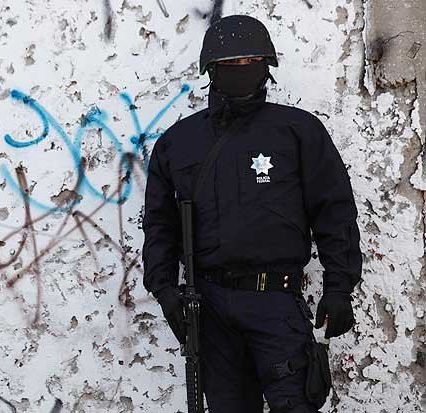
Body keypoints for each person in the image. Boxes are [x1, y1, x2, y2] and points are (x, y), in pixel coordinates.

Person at [141, 14, 362, 413]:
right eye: (230, 64)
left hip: (276, 303)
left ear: (266, 68)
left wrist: (339, 287)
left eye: (250, 62)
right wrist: (165, 290)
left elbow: (334, 210)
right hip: (210, 307)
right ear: (212, 70)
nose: (241, 70)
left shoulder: (297, 131)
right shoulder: (179, 143)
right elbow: (160, 224)